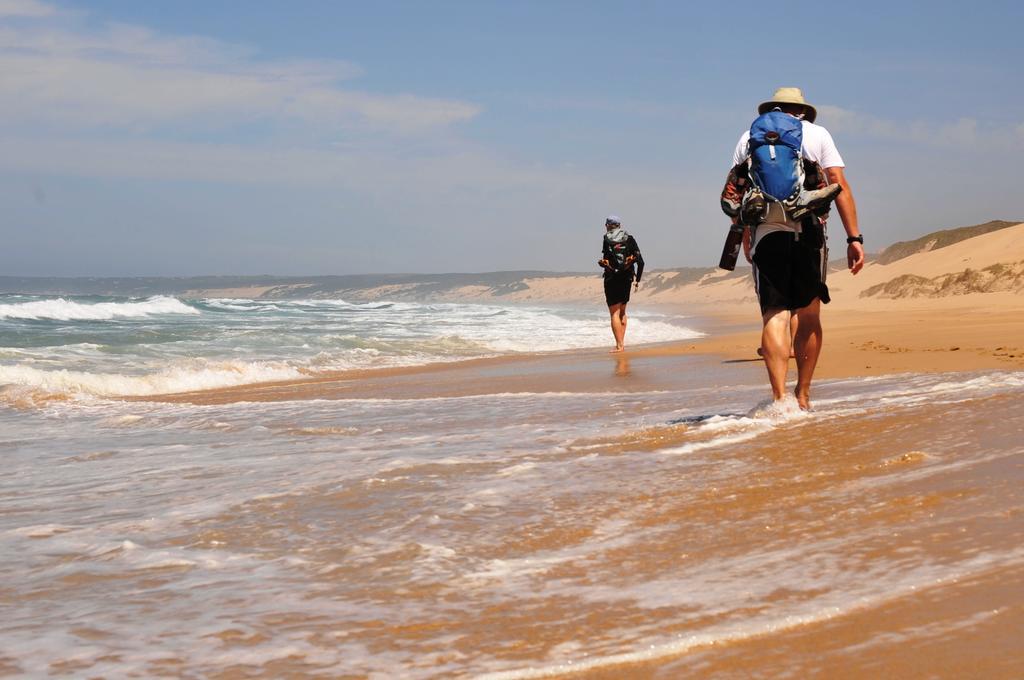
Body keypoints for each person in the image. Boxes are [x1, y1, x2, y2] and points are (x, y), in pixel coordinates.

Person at [730, 87, 865, 409]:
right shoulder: (817, 134)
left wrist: (744, 235)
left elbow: (738, 190)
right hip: (809, 230)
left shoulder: (749, 137)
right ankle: (803, 395)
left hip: (766, 232)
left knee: (774, 315)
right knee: (808, 315)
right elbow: (838, 184)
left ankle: (779, 399)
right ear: (801, 111)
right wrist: (854, 238)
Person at [597, 215, 644, 353]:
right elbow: (641, 262)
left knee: (614, 313)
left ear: (608, 225)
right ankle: (621, 344)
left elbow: (606, 261)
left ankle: (619, 345)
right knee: (623, 311)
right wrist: (637, 280)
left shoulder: (607, 239)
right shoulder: (629, 239)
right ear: (619, 225)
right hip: (627, 278)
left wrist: (603, 264)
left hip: (612, 278)